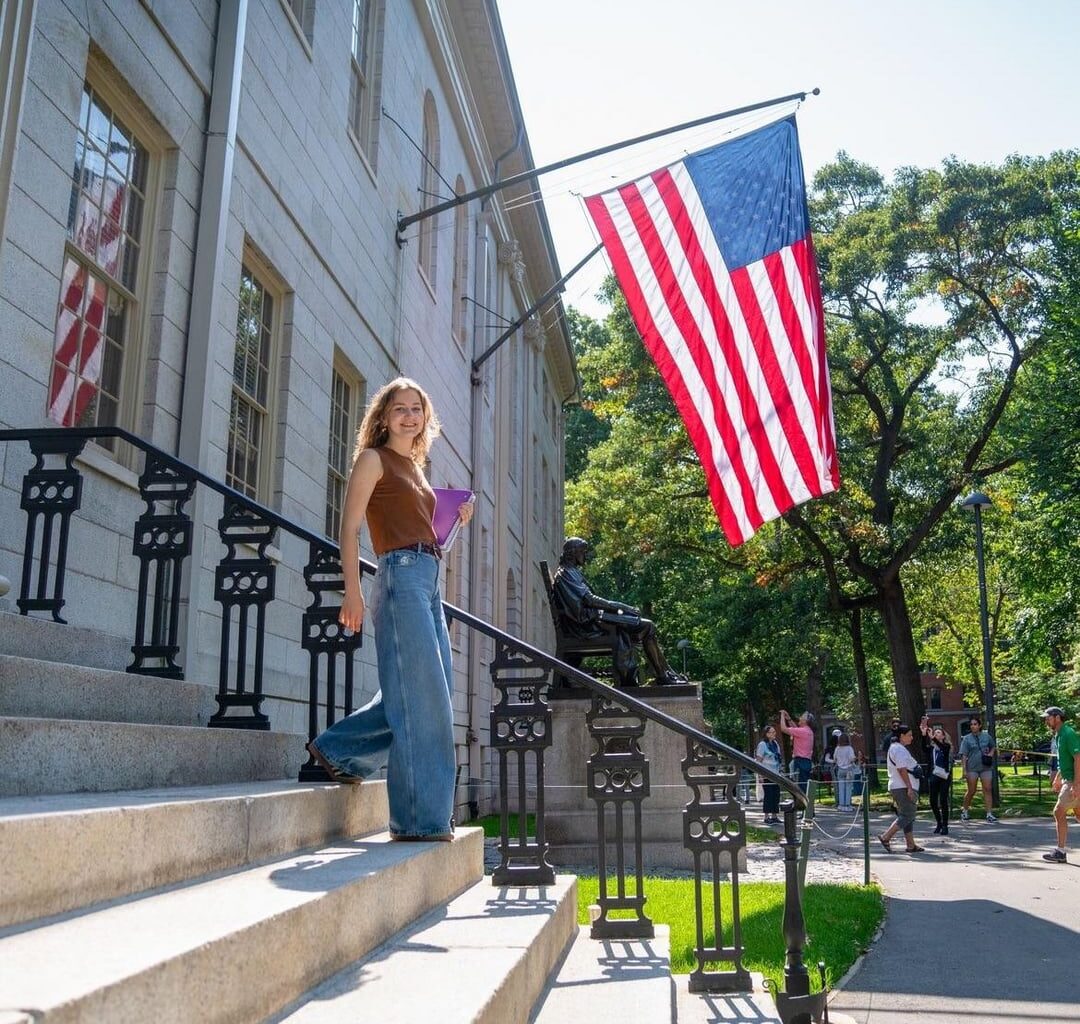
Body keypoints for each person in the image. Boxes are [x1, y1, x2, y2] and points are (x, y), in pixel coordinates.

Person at [304, 378, 473, 842]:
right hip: (397, 575)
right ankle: (419, 821)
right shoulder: (372, 459)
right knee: (426, 699)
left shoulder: (416, 468)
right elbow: (350, 526)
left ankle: (340, 752)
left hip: (427, 576)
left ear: (424, 416)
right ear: (383, 416)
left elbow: (424, 533)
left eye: (416, 408)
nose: (409, 416)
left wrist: (452, 521)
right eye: (399, 408)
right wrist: (352, 590)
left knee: (424, 692)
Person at [551, 537, 685, 686]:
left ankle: (664, 674)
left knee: (647, 626)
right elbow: (590, 600)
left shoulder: (571, 572)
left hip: (591, 621)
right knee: (647, 626)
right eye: (583, 551)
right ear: (573, 552)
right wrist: (623, 607)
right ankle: (661, 676)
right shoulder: (566, 573)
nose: (585, 555)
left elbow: (589, 600)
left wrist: (620, 609)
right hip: (585, 627)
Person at [1041, 707, 1080, 864]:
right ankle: (1061, 851)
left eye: (1048, 717)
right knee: (1078, 814)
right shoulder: (1058, 735)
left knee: (1058, 811)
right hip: (1068, 778)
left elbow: (1078, 758)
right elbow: (1064, 761)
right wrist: (1058, 777)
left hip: (1074, 780)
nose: (1046, 720)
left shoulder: (1068, 734)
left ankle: (1060, 852)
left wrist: (1076, 784)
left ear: (1057, 717)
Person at [878, 724, 924, 854]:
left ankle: (911, 844)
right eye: (909, 735)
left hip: (900, 785)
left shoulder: (897, 748)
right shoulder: (898, 749)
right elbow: (901, 769)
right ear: (901, 736)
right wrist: (909, 787)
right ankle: (886, 837)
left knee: (906, 815)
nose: (912, 737)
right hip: (902, 786)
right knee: (908, 814)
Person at [959, 715, 998, 823]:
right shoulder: (967, 738)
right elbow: (964, 755)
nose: (973, 726)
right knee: (972, 790)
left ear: (979, 725)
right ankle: (965, 811)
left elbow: (993, 746)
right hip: (972, 768)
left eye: (975, 724)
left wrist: (990, 754)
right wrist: (964, 770)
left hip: (985, 767)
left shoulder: (986, 736)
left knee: (987, 789)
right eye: (971, 724)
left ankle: (989, 813)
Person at [924, 723, 954, 835]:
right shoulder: (932, 748)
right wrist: (924, 735)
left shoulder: (946, 747)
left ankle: (945, 825)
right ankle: (939, 822)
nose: (936, 735)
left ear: (943, 736)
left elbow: (942, 748)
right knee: (932, 801)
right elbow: (923, 747)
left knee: (943, 800)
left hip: (944, 776)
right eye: (935, 733)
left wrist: (932, 737)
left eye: (938, 733)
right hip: (933, 775)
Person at [780, 710, 815, 793]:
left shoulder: (802, 731)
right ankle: (802, 804)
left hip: (800, 762)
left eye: (802, 716)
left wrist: (781, 715)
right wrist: (789, 719)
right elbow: (796, 729)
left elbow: (783, 729)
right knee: (803, 785)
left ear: (805, 721)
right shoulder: (807, 731)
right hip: (806, 761)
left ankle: (800, 804)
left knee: (799, 788)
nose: (800, 717)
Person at [755, 724, 784, 825]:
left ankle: (775, 816)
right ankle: (766, 817)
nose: (774, 734)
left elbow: (778, 758)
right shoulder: (762, 745)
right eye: (771, 732)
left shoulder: (775, 744)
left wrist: (780, 771)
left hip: (775, 773)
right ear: (766, 734)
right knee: (768, 795)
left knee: (776, 794)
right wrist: (760, 775)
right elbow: (758, 761)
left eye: (774, 732)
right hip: (766, 773)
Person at [833, 731, 858, 812]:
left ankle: (841, 805)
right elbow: (852, 759)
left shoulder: (837, 748)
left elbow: (835, 759)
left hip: (840, 769)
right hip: (848, 769)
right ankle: (847, 805)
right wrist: (855, 758)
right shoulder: (849, 748)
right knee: (848, 787)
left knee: (841, 787)